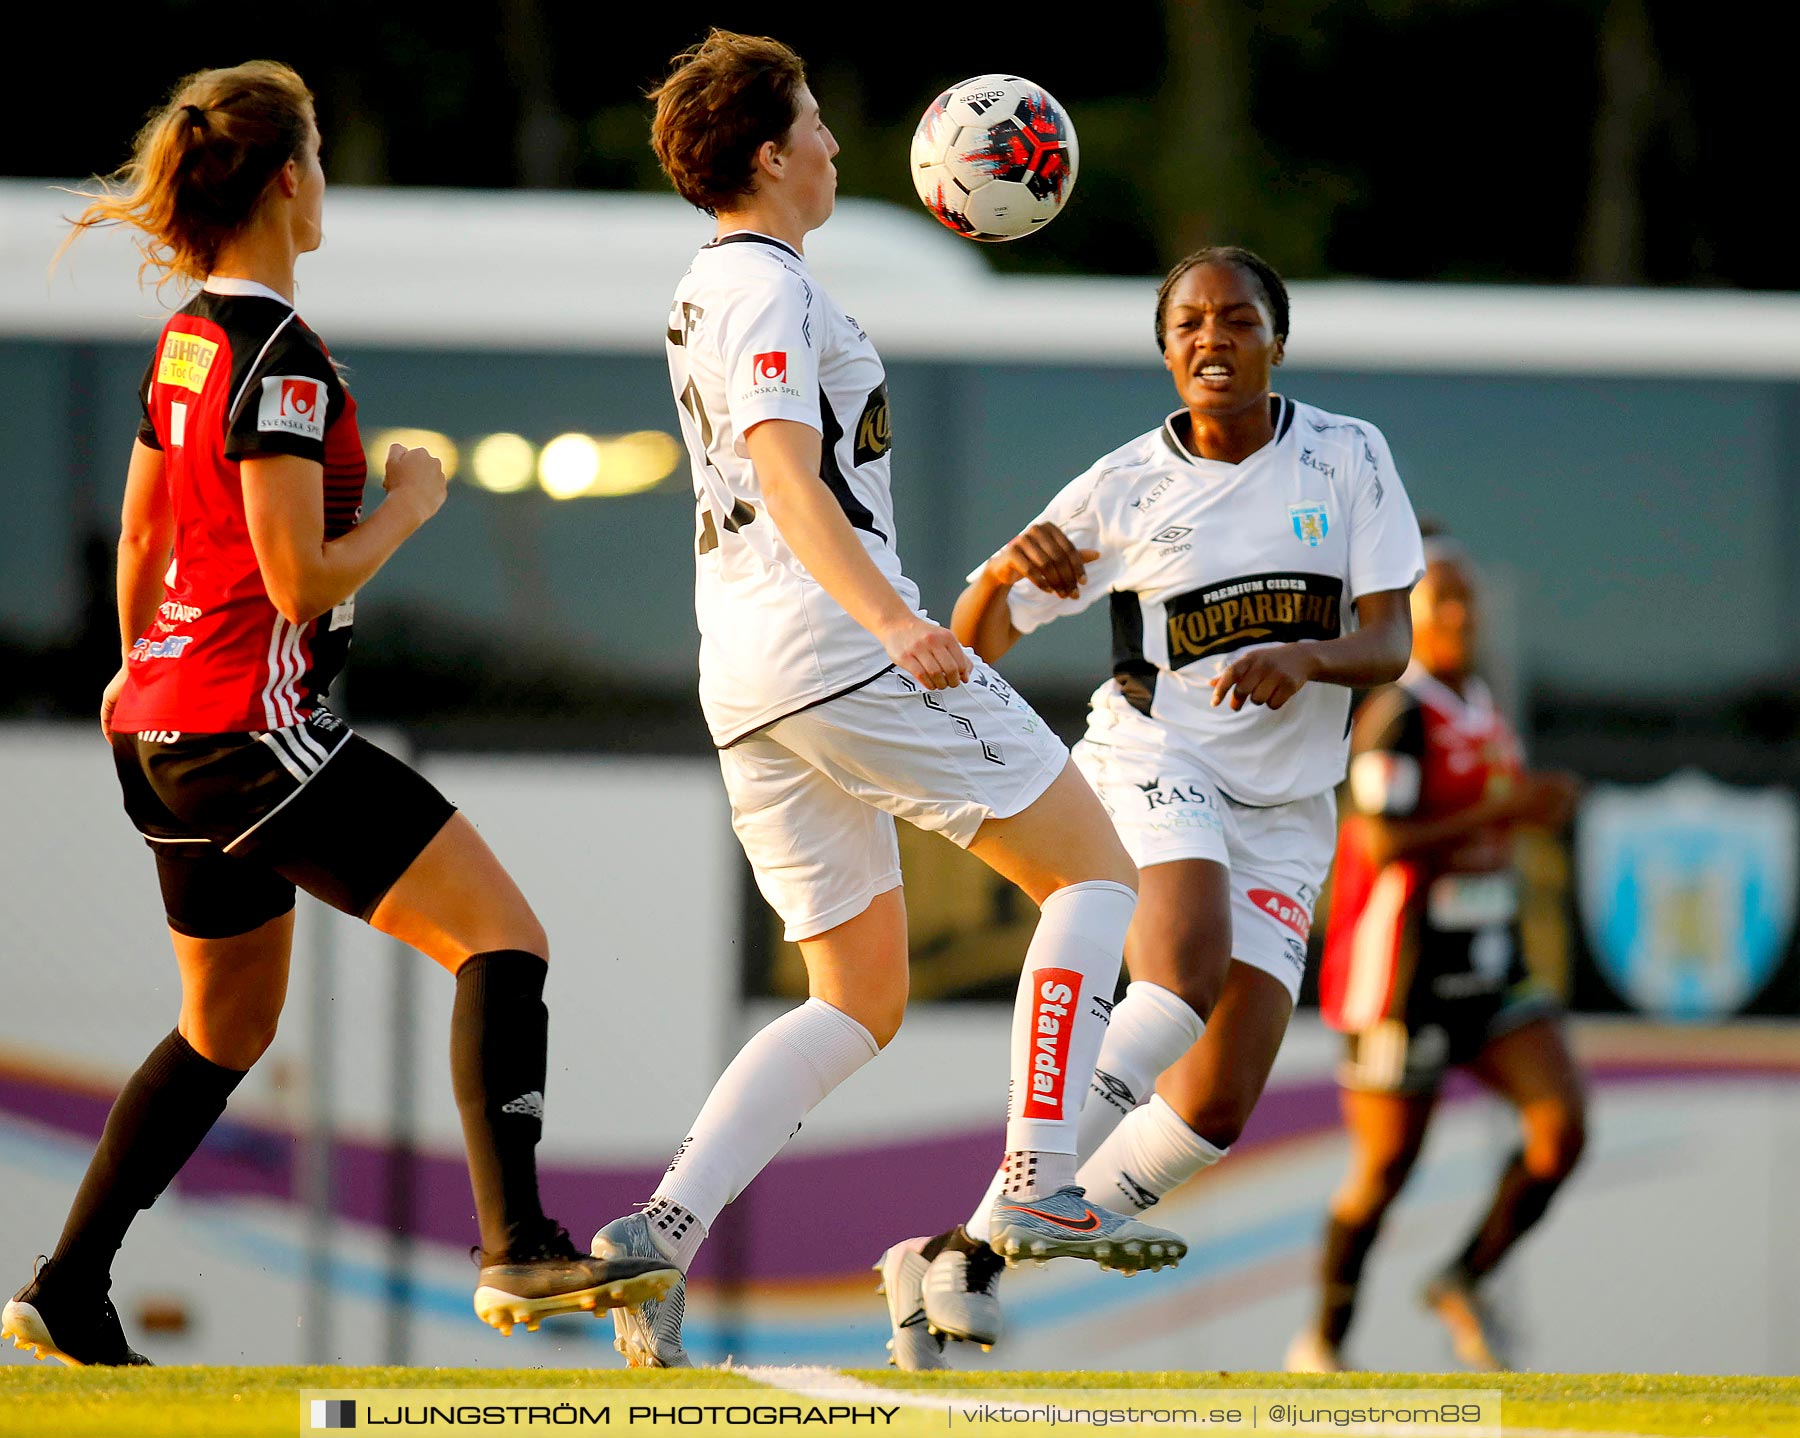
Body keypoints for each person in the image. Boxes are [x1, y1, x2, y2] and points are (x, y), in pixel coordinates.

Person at [0, 61, 676, 1368]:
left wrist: (134, 671)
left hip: (163, 733)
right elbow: (299, 577)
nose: (327, 182)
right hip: (253, 738)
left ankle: (67, 1286)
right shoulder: (283, 361)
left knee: (225, 1028)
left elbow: (143, 530)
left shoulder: (192, 338)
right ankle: (518, 1245)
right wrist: (414, 503)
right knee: (506, 939)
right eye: (316, 155)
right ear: (288, 180)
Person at [587, 30, 1184, 1370]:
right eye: (815, 123)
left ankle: (660, 1231)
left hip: (745, 674)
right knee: (1096, 877)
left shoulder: (718, 287)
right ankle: (1038, 1170)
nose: (838, 147)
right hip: (830, 647)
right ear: (766, 152)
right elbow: (788, 474)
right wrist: (898, 621)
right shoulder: (766, 294)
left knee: (854, 993)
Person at [879, 245, 1426, 1370]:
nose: (1211, 340)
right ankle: (1040, 1192)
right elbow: (975, 645)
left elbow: (1390, 639)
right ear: (1167, 350)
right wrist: (993, 583)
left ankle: (959, 1251)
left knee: (1218, 1105)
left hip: (1288, 804)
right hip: (1155, 752)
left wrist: (1309, 661)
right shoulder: (1123, 484)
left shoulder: (1346, 455)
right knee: (1180, 967)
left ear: (1278, 340)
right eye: (1188, 325)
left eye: (1235, 320)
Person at [1286, 532, 1585, 1374]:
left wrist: (1525, 813)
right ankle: (1324, 1343)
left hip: (1489, 964)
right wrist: (1508, 814)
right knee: (1385, 1171)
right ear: (1407, 616)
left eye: (1466, 598)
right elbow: (1378, 842)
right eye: (1439, 600)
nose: (1458, 614)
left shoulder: (1479, 698)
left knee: (1560, 1130)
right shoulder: (1401, 713)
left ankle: (1467, 1278)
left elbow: (1495, 813)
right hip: (1402, 977)